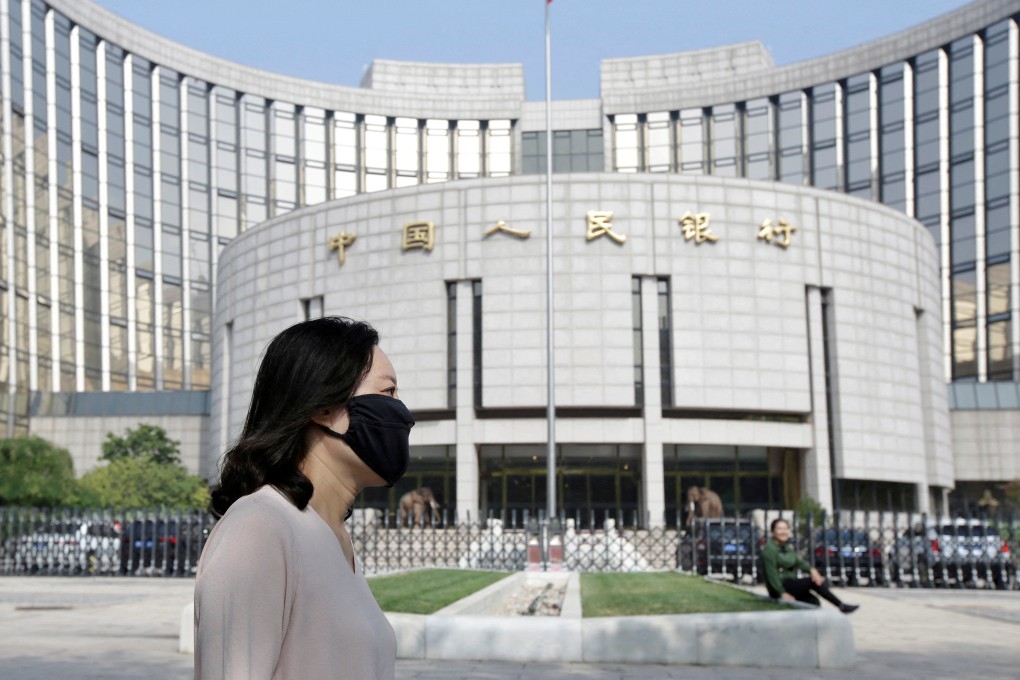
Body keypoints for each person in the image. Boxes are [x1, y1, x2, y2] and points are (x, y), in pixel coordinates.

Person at [194, 316, 414, 679]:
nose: (402, 414)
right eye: (388, 392)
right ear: (322, 406)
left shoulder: (333, 538)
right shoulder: (259, 528)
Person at [760, 518, 859, 614]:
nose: (783, 532)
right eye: (780, 529)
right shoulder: (769, 549)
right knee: (812, 582)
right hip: (780, 586)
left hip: (790, 583)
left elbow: (799, 562)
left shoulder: (786, 547)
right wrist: (781, 593)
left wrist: (812, 570)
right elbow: (771, 575)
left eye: (786, 528)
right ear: (773, 532)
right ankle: (841, 605)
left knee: (813, 601)